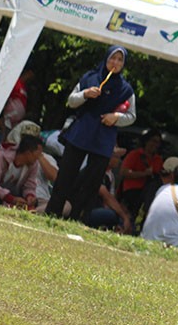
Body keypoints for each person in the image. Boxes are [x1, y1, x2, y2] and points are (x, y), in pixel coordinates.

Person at [45, 46, 136, 221]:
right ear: (106, 59)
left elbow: (132, 116)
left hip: (103, 138)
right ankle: (52, 212)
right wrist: (85, 94)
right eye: (112, 58)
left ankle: (77, 218)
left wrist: (116, 117)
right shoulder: (90, 77)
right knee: (66, 175)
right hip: (81, 132)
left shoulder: (126, 89)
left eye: (120, 60)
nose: (115, 63)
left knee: (92, 182)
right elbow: (71, 101)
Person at [117, 128, 163, 228]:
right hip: (132, 190)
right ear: (147, 141)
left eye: (158, 142)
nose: (155, 145)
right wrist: (143, 174)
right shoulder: (135, 154)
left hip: (149, 191)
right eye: (153, 141)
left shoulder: (158, 159)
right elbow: (124, 172)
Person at [84, 146, 132, 233]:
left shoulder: (110, 175)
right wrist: (123, 216)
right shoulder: (97, 170)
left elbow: (112, 198)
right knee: (114, 216)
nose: (119, 161)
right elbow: (106, 196)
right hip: (88, 210)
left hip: (101, 208)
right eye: (117, 157)